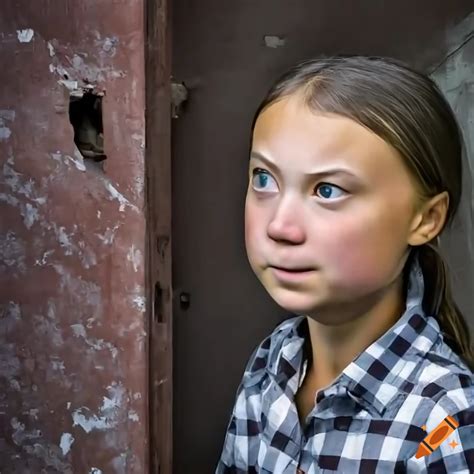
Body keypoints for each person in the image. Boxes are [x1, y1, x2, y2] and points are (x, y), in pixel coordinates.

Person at [216, 56, 474, 473]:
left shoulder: (444, 422)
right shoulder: (272, 361)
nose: (280, 226)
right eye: (264, 179)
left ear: (425, 219)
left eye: (328, 190)